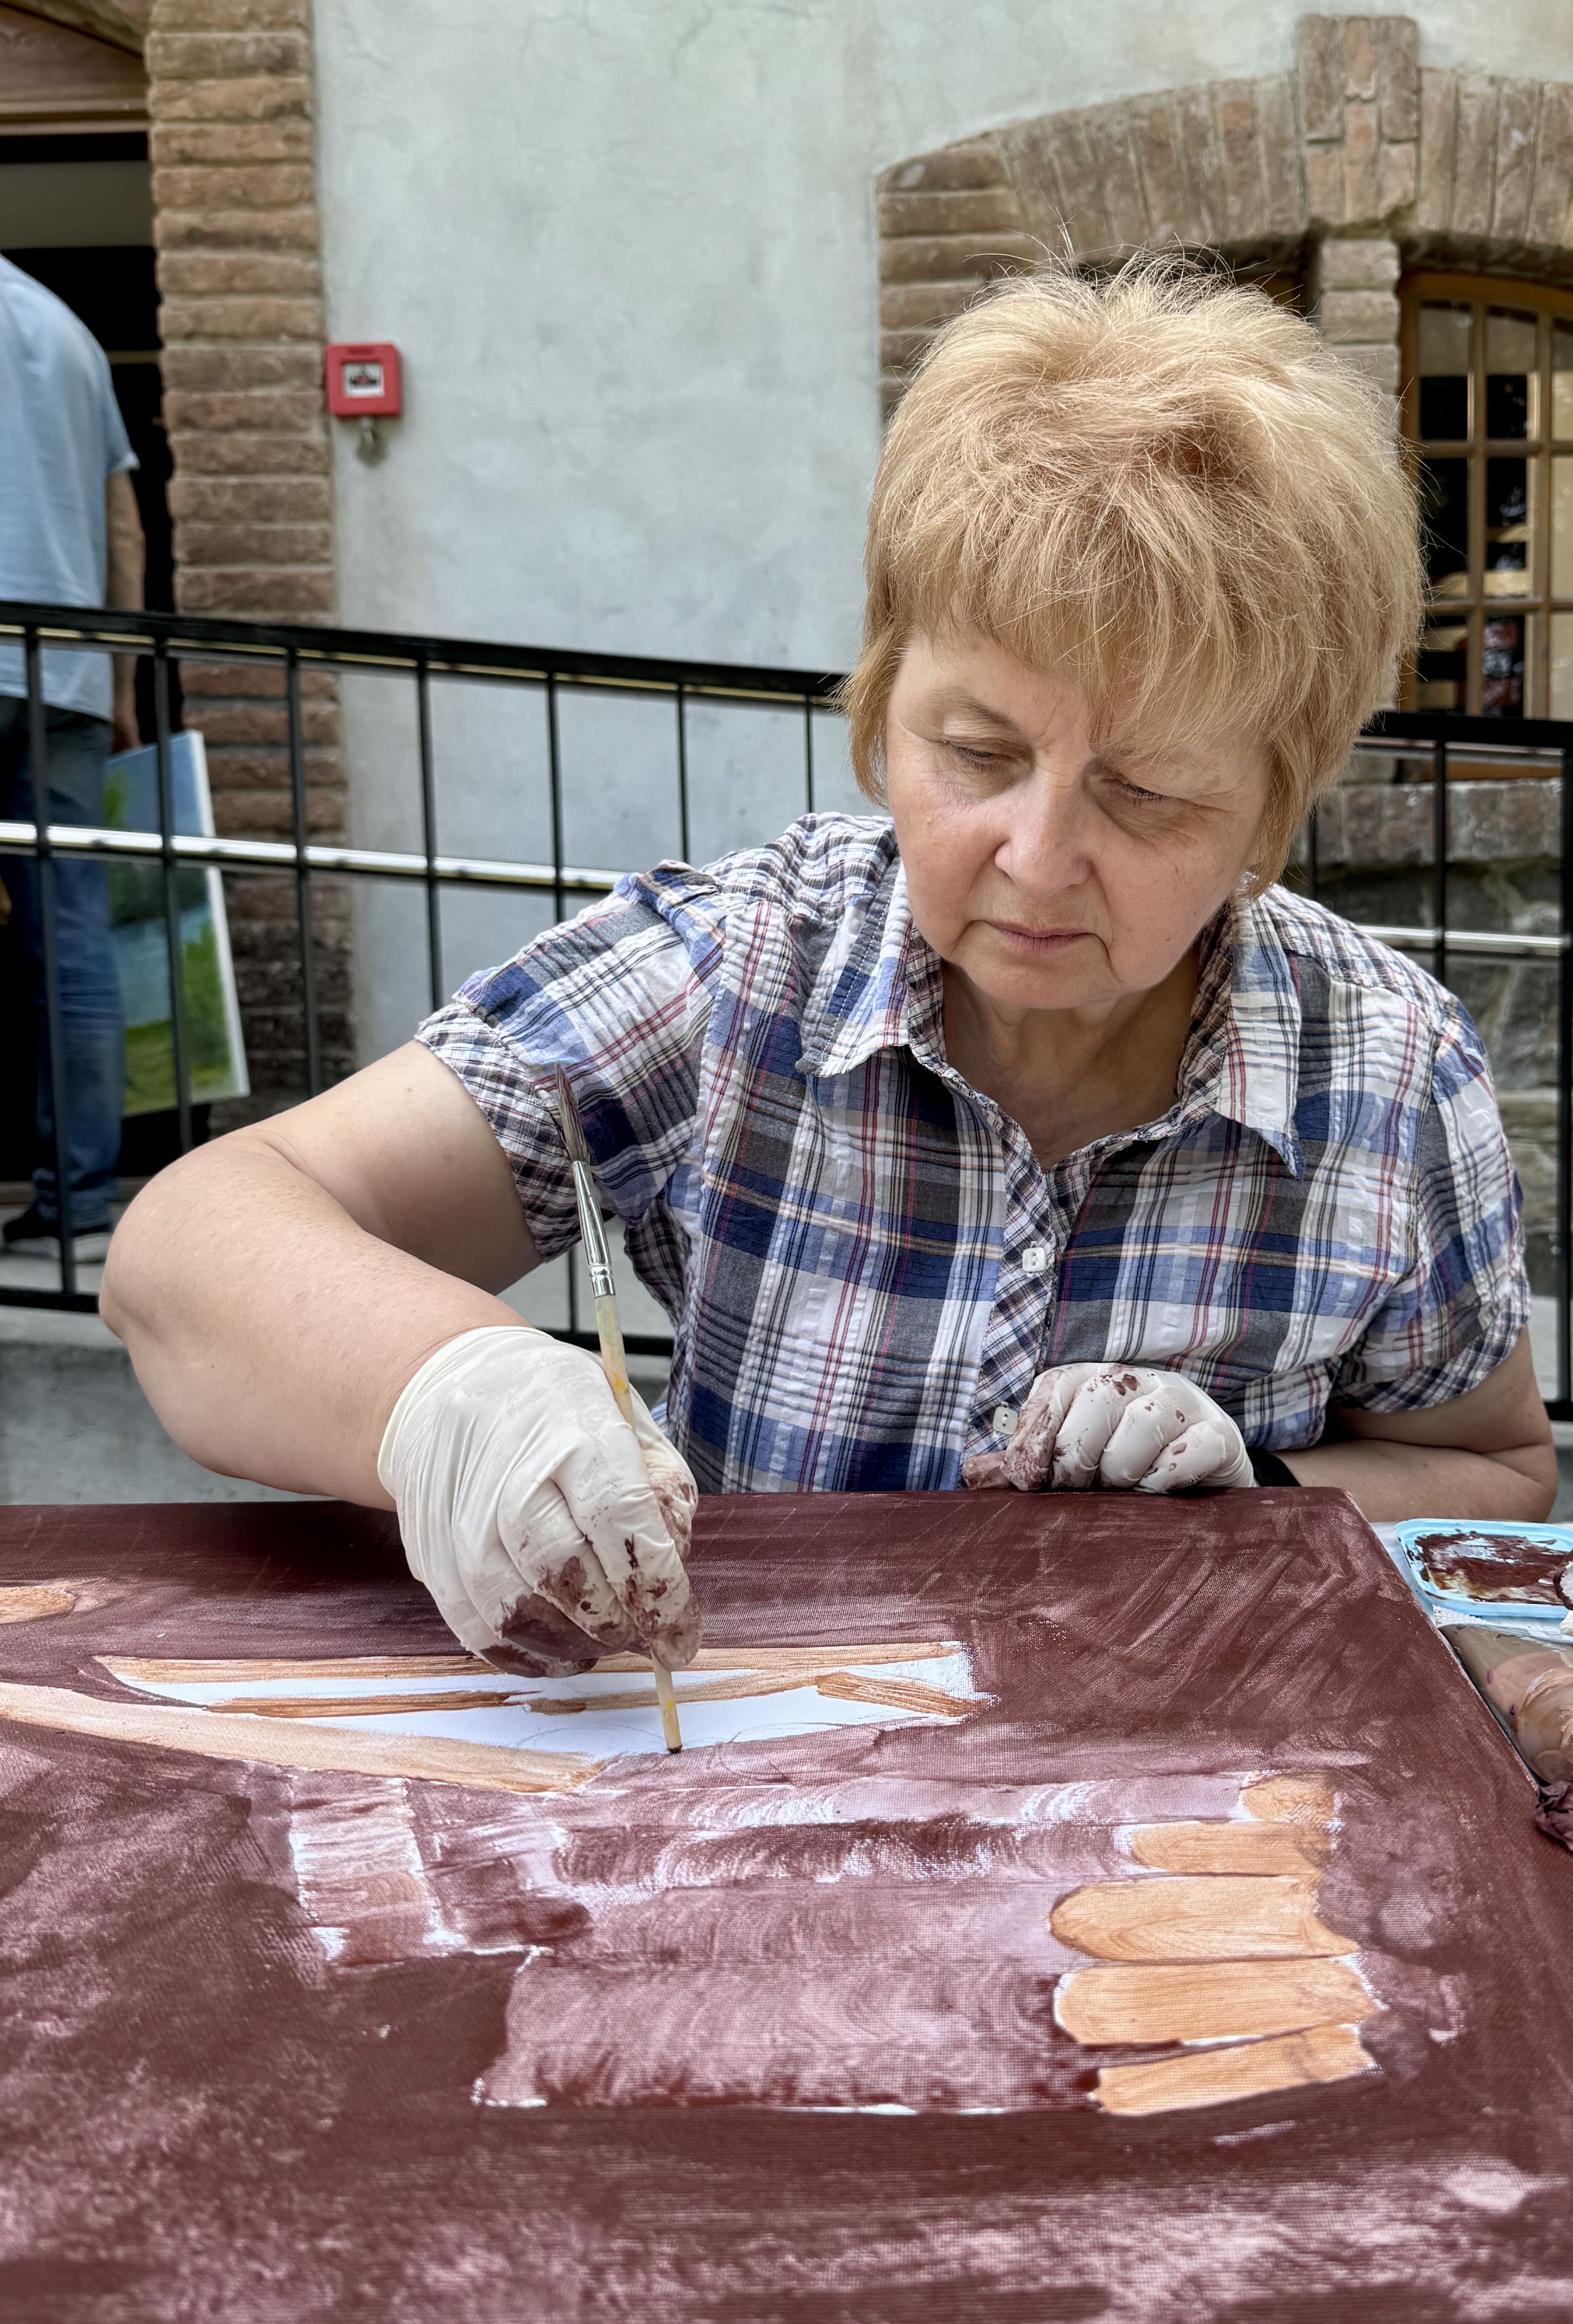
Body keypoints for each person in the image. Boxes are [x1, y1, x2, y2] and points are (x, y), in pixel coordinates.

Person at [102, 263, 1556, 1680]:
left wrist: (1263, 1491)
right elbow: (187, 1250)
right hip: (754, 1782)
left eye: (1149, 792)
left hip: (1194, 1800)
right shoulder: (740, 970)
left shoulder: (1384, 1069)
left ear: (1274, 803)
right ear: (880, 703)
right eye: (976, 752)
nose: (1037, 856)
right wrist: (446, 1391)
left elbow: (1495, 1471)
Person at [0, 251, 144, 1264]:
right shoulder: (68, 331)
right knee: (77, 943)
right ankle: (81, 1204)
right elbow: (121, 526)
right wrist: (120, 683)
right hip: (68, 677)